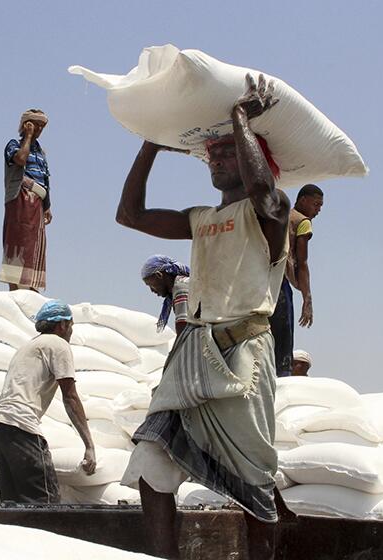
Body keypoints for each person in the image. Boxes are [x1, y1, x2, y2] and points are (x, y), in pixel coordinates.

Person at [116, 73, 291, 560]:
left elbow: (263, 192)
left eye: (229, 151)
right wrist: (151, 145)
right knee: (152, 459)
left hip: (243, 360)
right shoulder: (200, 219)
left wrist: (240, 118)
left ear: (255, 157)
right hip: (193, 352)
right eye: (211, 154)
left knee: (253, 483)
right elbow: (129, 215)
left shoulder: (273, 213)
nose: (216, 158)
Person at [0, 300, 96, 503]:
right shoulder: (58, 344)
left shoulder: (29, 346)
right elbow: (70, 396)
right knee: (44, 503)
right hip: (21, 427)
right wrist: (89, 446)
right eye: (71, 326)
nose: (71, 331)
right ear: (62, 325)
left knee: (14, 506)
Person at [269, 184, 324, 376]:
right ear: (303, 200)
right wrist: (307, 299)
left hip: (263, 281)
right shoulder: (303, 222)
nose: (318, 210)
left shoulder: (283, 218)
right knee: (283, 344)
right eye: (316, 204)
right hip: (281, 283)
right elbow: (302, 263)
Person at [0, 109, 53, 292]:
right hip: (20, 198)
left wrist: (47, 206)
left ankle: (31, 290)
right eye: (34, 124)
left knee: (34, 246)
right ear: (25, 125)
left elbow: (45, 179)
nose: (38, 129)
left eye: (41, 126)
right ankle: (15, 290)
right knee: (18, 242)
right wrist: (28, 136)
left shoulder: (41, 153)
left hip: (37, 202)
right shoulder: (14, 145)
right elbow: (21, 159)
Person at [141, 255, 191, 334]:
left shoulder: (181, 288)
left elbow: (183, 328)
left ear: (159, 275)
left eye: (151, 285)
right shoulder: (185, 283)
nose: (152, 290)